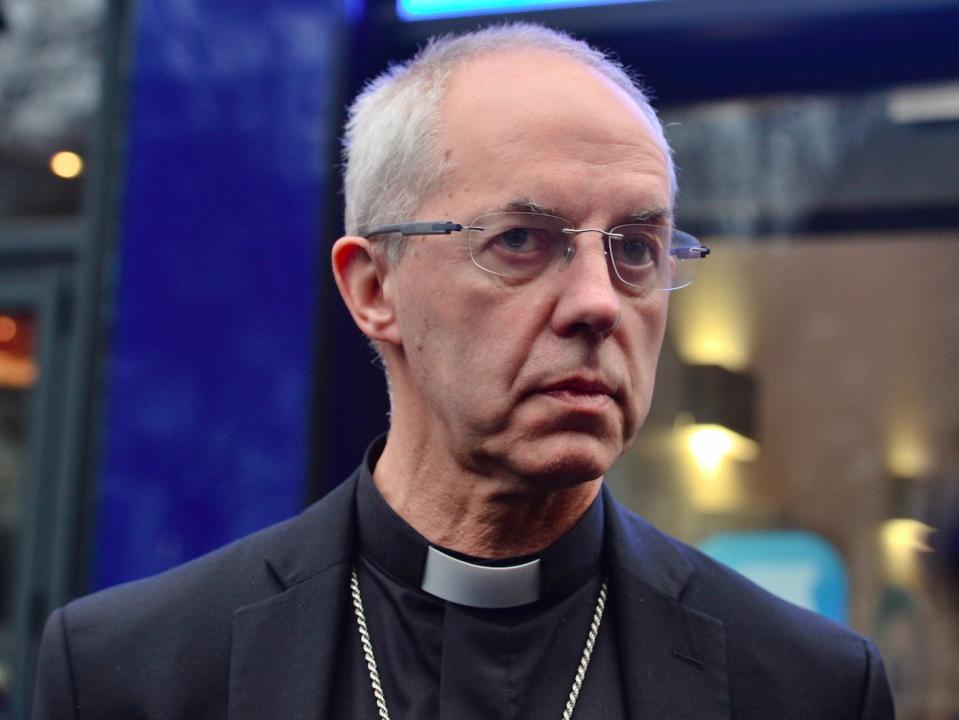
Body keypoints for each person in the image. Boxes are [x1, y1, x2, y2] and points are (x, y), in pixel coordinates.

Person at [32, 23, 894, 720]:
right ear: (374, 289)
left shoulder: (806, 687)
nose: (597, 303)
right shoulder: (133, 672)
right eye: (521, 241)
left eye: (633, 248)